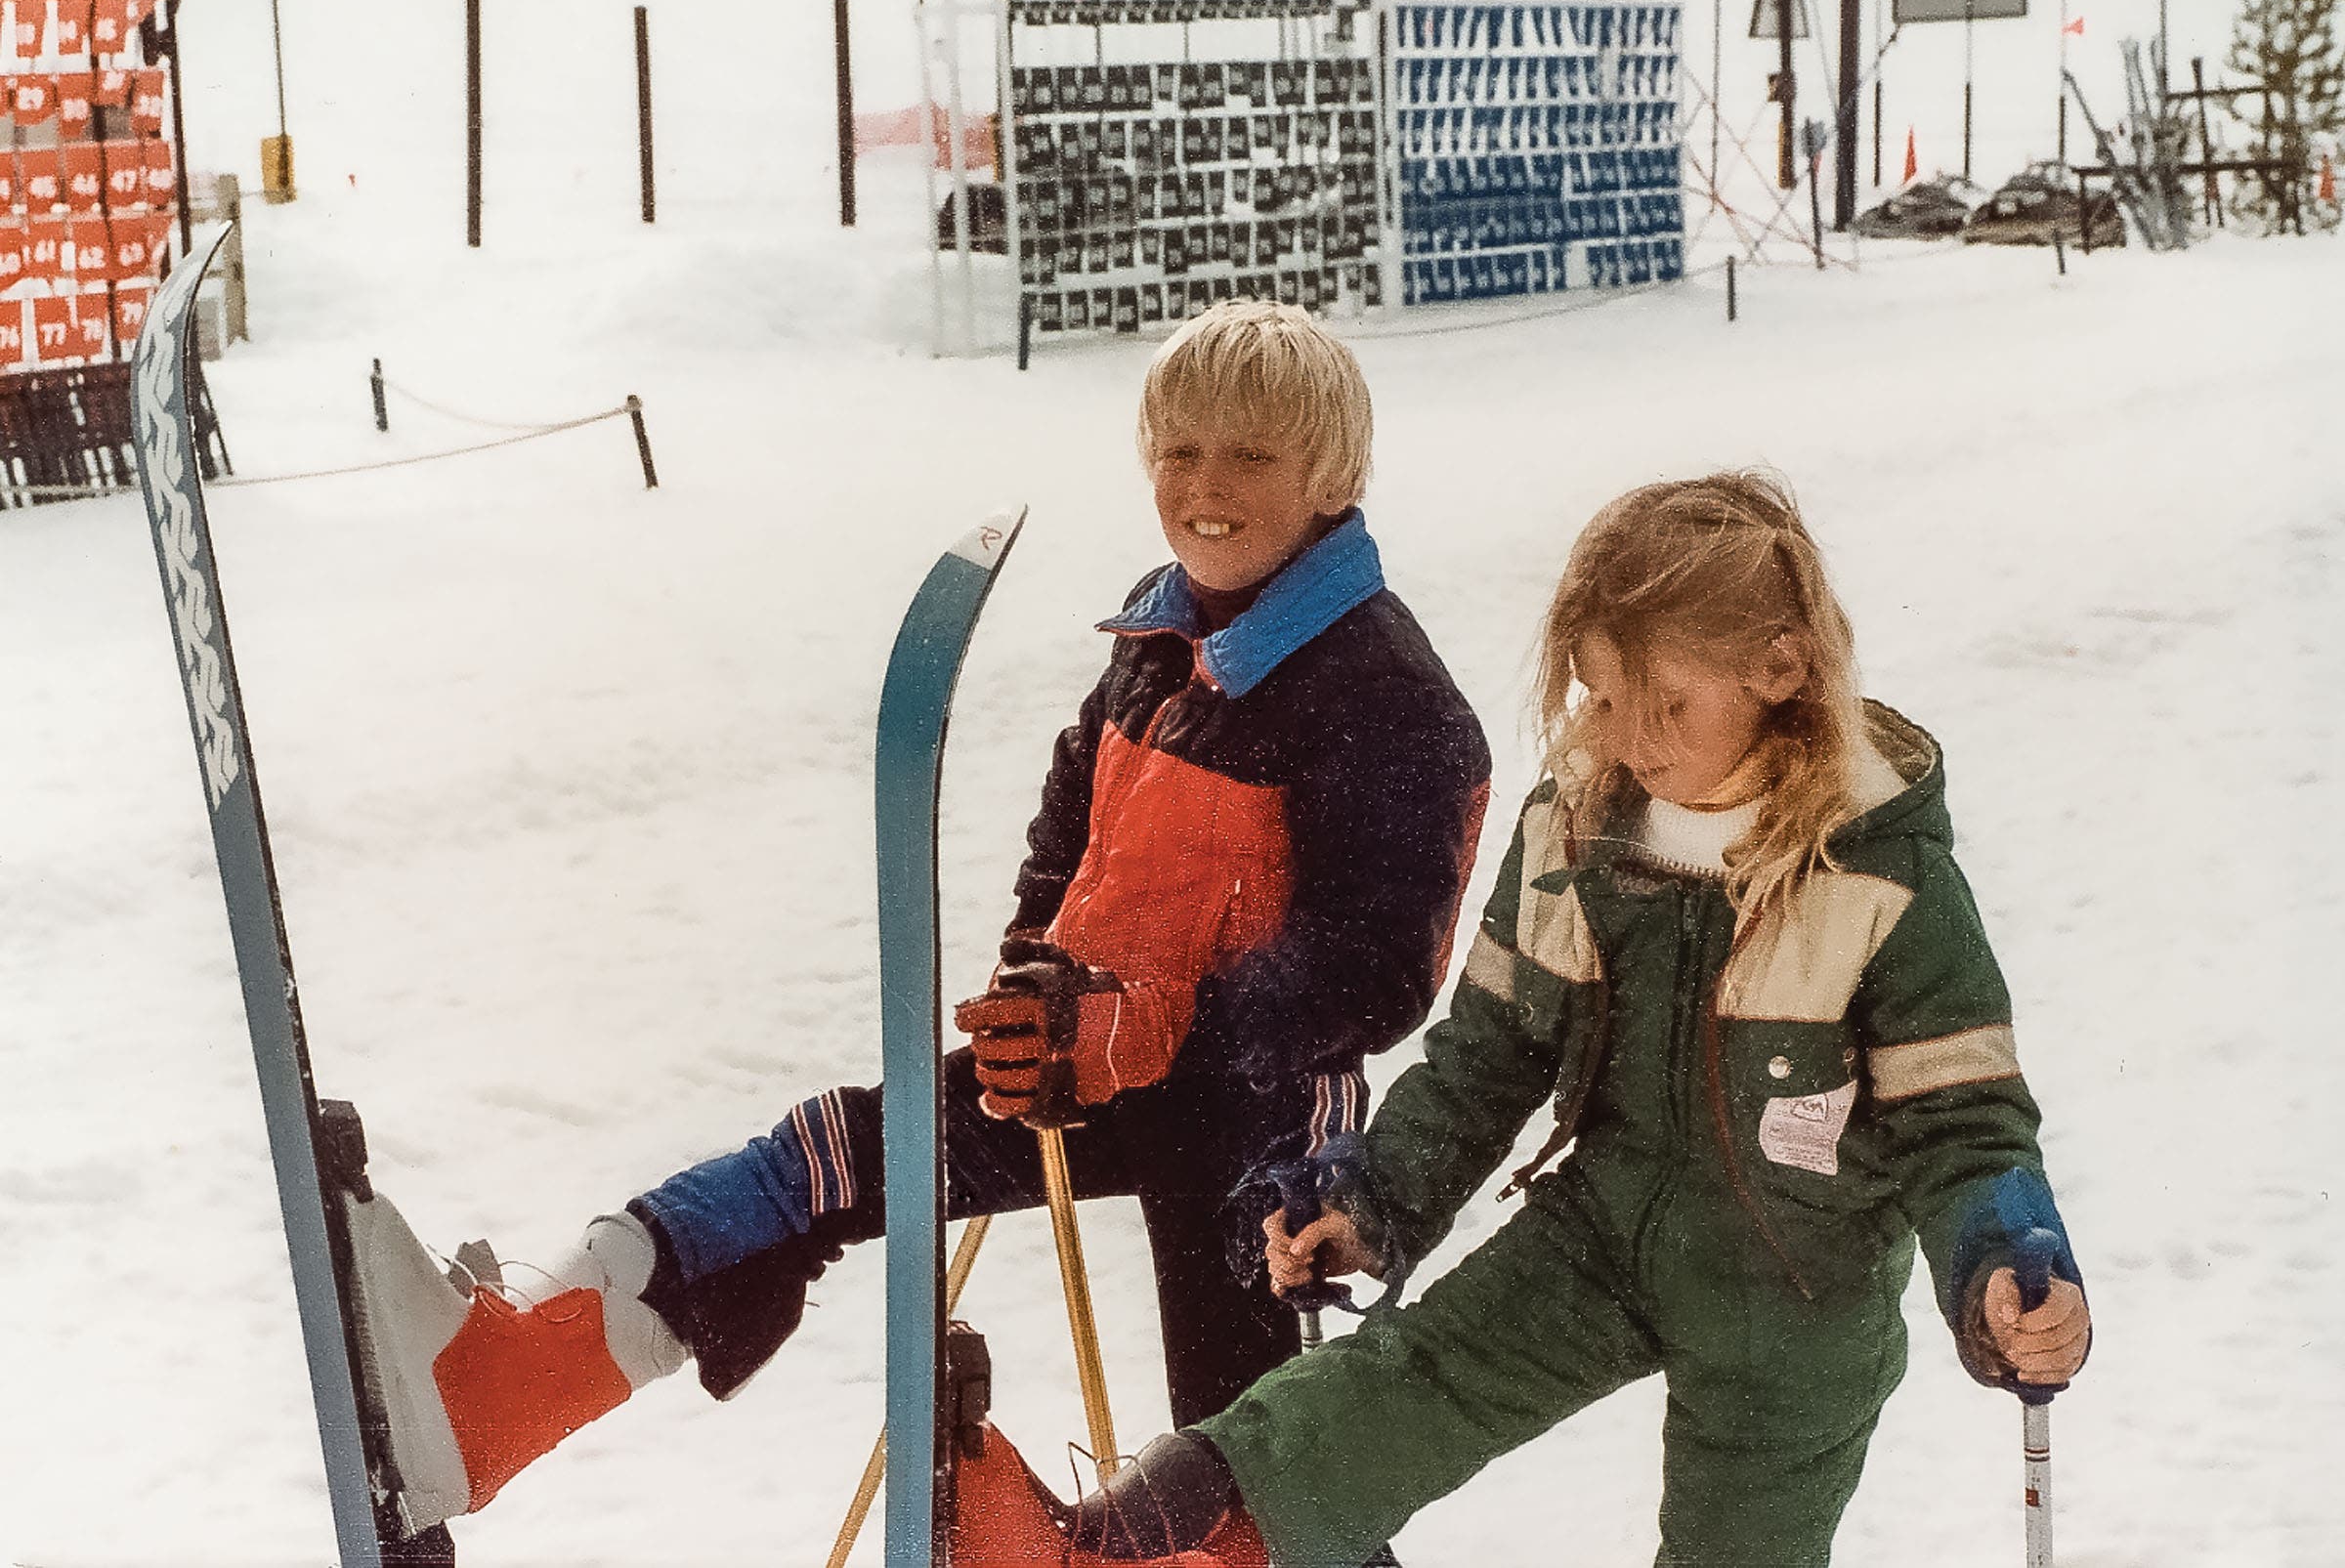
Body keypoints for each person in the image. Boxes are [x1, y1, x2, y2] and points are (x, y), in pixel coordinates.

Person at [348, 299, 1491, 1534]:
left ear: (1332, 476)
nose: (1203, 486)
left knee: (1251, 1422)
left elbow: (1373, 972)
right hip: (1082, 1054)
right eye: (1178, 451)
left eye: (1249, 457)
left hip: (1258, 1110)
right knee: (824, 1157)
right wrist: (1034, 976)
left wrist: (1137, 1030)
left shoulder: (1388, 697)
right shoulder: (1162, 627)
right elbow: (1076, 806)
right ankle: (494, 1392)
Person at [1067, 470, 2092, 1568]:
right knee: (1400, 1380)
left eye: (1668, 704)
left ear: (1781, 669)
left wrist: (1999, 1262)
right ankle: (1162, 1527)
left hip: (1797, 1296)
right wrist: (1374, 1196)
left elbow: (1965, 1116)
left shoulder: (1879, 877)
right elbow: (1490, 1050)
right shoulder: (1579, 825)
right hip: (1599, 1234)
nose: (1630, 735)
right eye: (1603, 696)